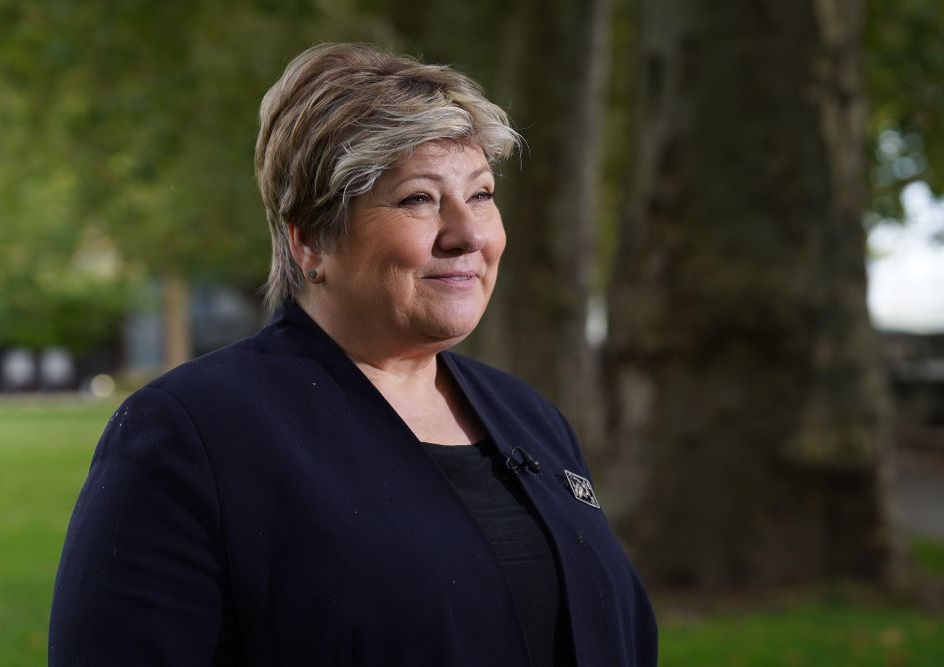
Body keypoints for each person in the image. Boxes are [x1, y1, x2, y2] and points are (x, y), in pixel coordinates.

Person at [49, 42, 657, 666]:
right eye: (419, 198)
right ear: (309, 240)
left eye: (480, 194)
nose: (469, 235)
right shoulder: (193, 435)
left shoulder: (531, 417)